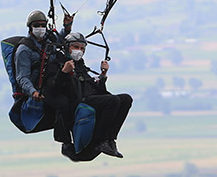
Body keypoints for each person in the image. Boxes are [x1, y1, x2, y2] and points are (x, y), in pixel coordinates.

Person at [48, 31, 133, 160]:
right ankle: (101, 140)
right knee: (113, 101)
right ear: (67, 46)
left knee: (126, 99)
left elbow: (93, 86)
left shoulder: (80, 65)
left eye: (82, 48)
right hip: (76, 102)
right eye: (76, 47)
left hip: (88, 98)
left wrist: (103, 75)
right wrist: (64, 72)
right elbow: (53, 89)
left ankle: (110, 139)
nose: (79, 51)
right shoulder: (57, 64)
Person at [10, 9, 73, 134]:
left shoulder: (48, 41)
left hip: (54, 81)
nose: (40, 28)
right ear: (30, 27)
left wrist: (67, 27)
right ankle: (63, 137)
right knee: (63, 103)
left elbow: (60, 42)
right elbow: (22, 77)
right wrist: (33, 92)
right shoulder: (24, 50)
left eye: (43, 25)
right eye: (36, 26)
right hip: (41, 88)